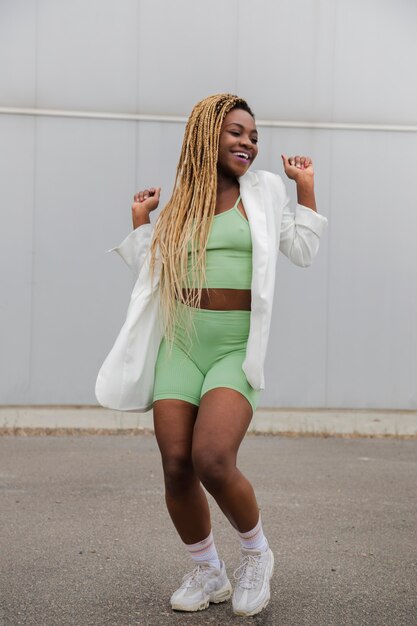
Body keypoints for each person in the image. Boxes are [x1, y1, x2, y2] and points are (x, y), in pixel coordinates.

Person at [96, 93, 327, 617]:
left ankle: (256, 556)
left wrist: (306, 189)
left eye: (253, 137)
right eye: (237, 133)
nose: (248, 143)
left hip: (232, 346)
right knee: (176, 464)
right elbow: (156, 274)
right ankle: (208, 570)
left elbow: (303, 252)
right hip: (180, 342)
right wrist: (141, 222)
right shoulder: (181, 202)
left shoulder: (265, 192)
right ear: (206, 136)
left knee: (213, 458)